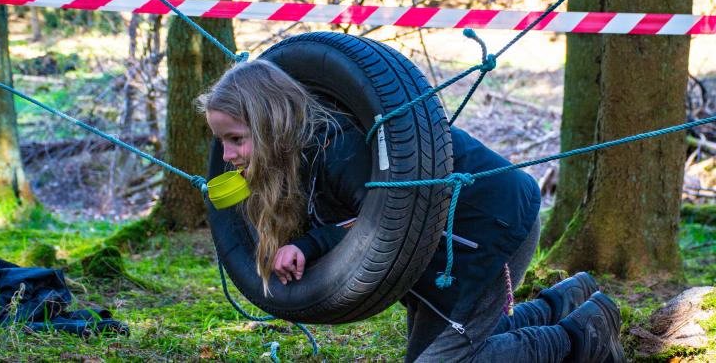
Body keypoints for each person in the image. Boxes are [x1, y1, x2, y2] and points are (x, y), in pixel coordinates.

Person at [197, 59, 625, 362]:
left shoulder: (337, 147)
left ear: (271, 122)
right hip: (440, 246)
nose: (228, 154)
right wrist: (302, 242)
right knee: (444, 351)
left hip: (486, 230)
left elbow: (383, 225)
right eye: (223, 142)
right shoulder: (295, 159)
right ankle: (562, 302)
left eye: (236, 139)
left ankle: (581, 336)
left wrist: (310, 246)